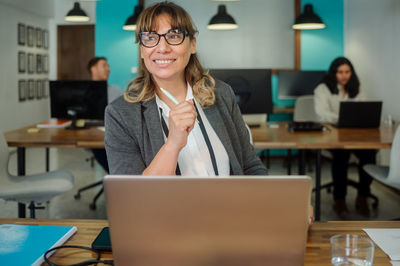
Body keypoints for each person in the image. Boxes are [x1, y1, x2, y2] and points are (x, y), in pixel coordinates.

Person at [314, 57, 376, 218]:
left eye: (347, 72)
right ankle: (339, 200)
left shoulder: (356, 88)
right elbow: (321, 114)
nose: (344, 76)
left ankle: (363, 196)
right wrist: (342, 117)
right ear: (334, 73)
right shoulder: (323, 89)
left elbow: (363, 109)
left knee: (369, 154)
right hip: (332, 135)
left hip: (356, 136)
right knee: (341, 155)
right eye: (340, 72)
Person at [87, 57, 123, 173]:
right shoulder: (85, 92)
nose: (108, 69)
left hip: (115, 136)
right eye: (104, 66)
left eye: (108, 66)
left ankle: (118, 180)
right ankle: (117, 180)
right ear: (93, 69)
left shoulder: (116, 90)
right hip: (93, 136)